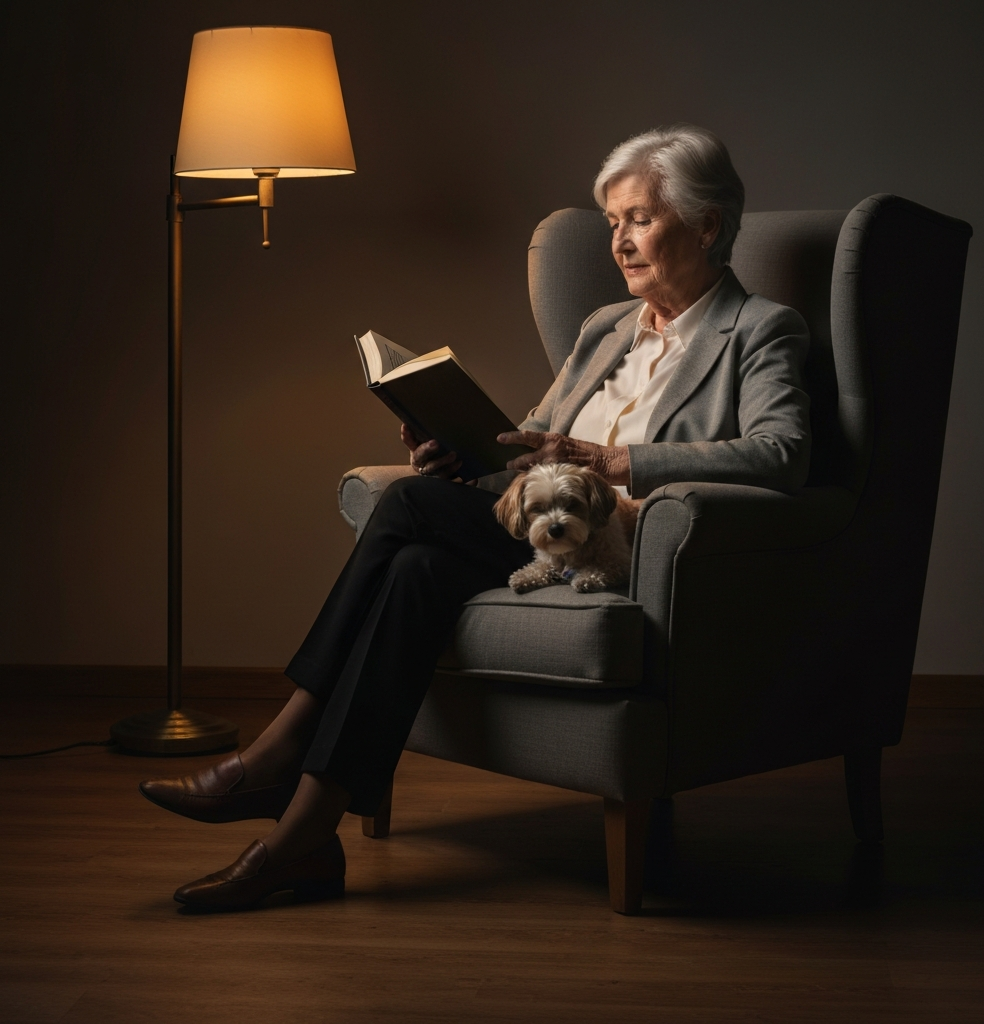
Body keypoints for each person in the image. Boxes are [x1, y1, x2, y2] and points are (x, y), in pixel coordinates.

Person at [141, 124, 811, 910]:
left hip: (623, 541)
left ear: (705, 224)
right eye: (613, 224)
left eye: (640, 219)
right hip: (538, 527)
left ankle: (277, 755)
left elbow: (782, 454)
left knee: (407, 509)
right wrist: (459, 454)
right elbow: (526, 449)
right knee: (418, 557)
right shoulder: (604, 330)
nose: (620, 243)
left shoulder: (761, 329)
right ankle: (307, 840)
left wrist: (622, 463)